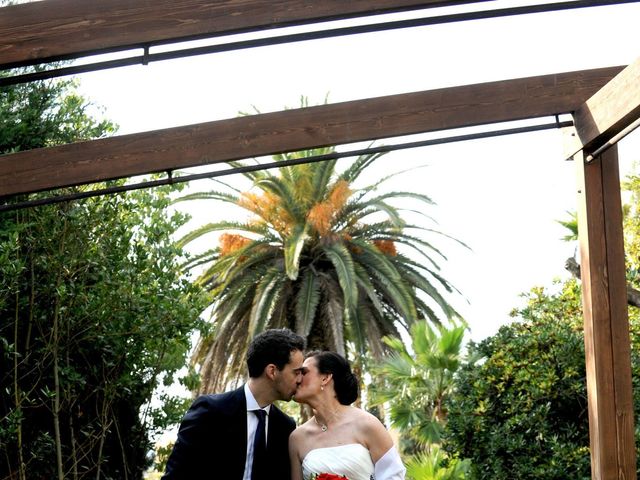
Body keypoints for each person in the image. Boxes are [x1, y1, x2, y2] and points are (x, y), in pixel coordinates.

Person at [162, 328, 306, 480]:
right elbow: (176, 475)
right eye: (296, 372)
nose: (300, 380)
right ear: (272, 371)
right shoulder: (210, 411)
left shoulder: (285, 426)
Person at [289, 351, 406, 480]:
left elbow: (393, 475)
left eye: (304, 372)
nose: (297, 379)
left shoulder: (367, 424)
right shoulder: (297, 438)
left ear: (325, 378)